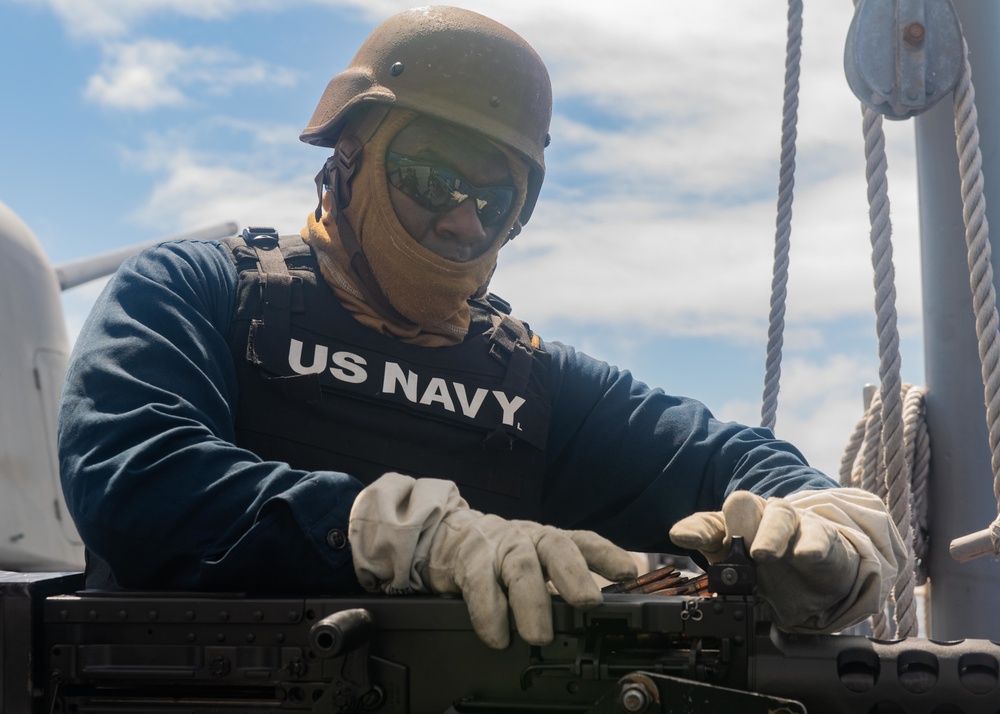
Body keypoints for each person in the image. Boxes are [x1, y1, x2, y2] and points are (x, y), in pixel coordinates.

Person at [58, 6, 906, 650]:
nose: (462, 221)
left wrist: (825, 520)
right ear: (348, 157)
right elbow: (133, 474)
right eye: (429, 175)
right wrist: (404, 535)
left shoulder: (533, 383)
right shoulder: (200, 290)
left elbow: (725, 459)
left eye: (494, 197)